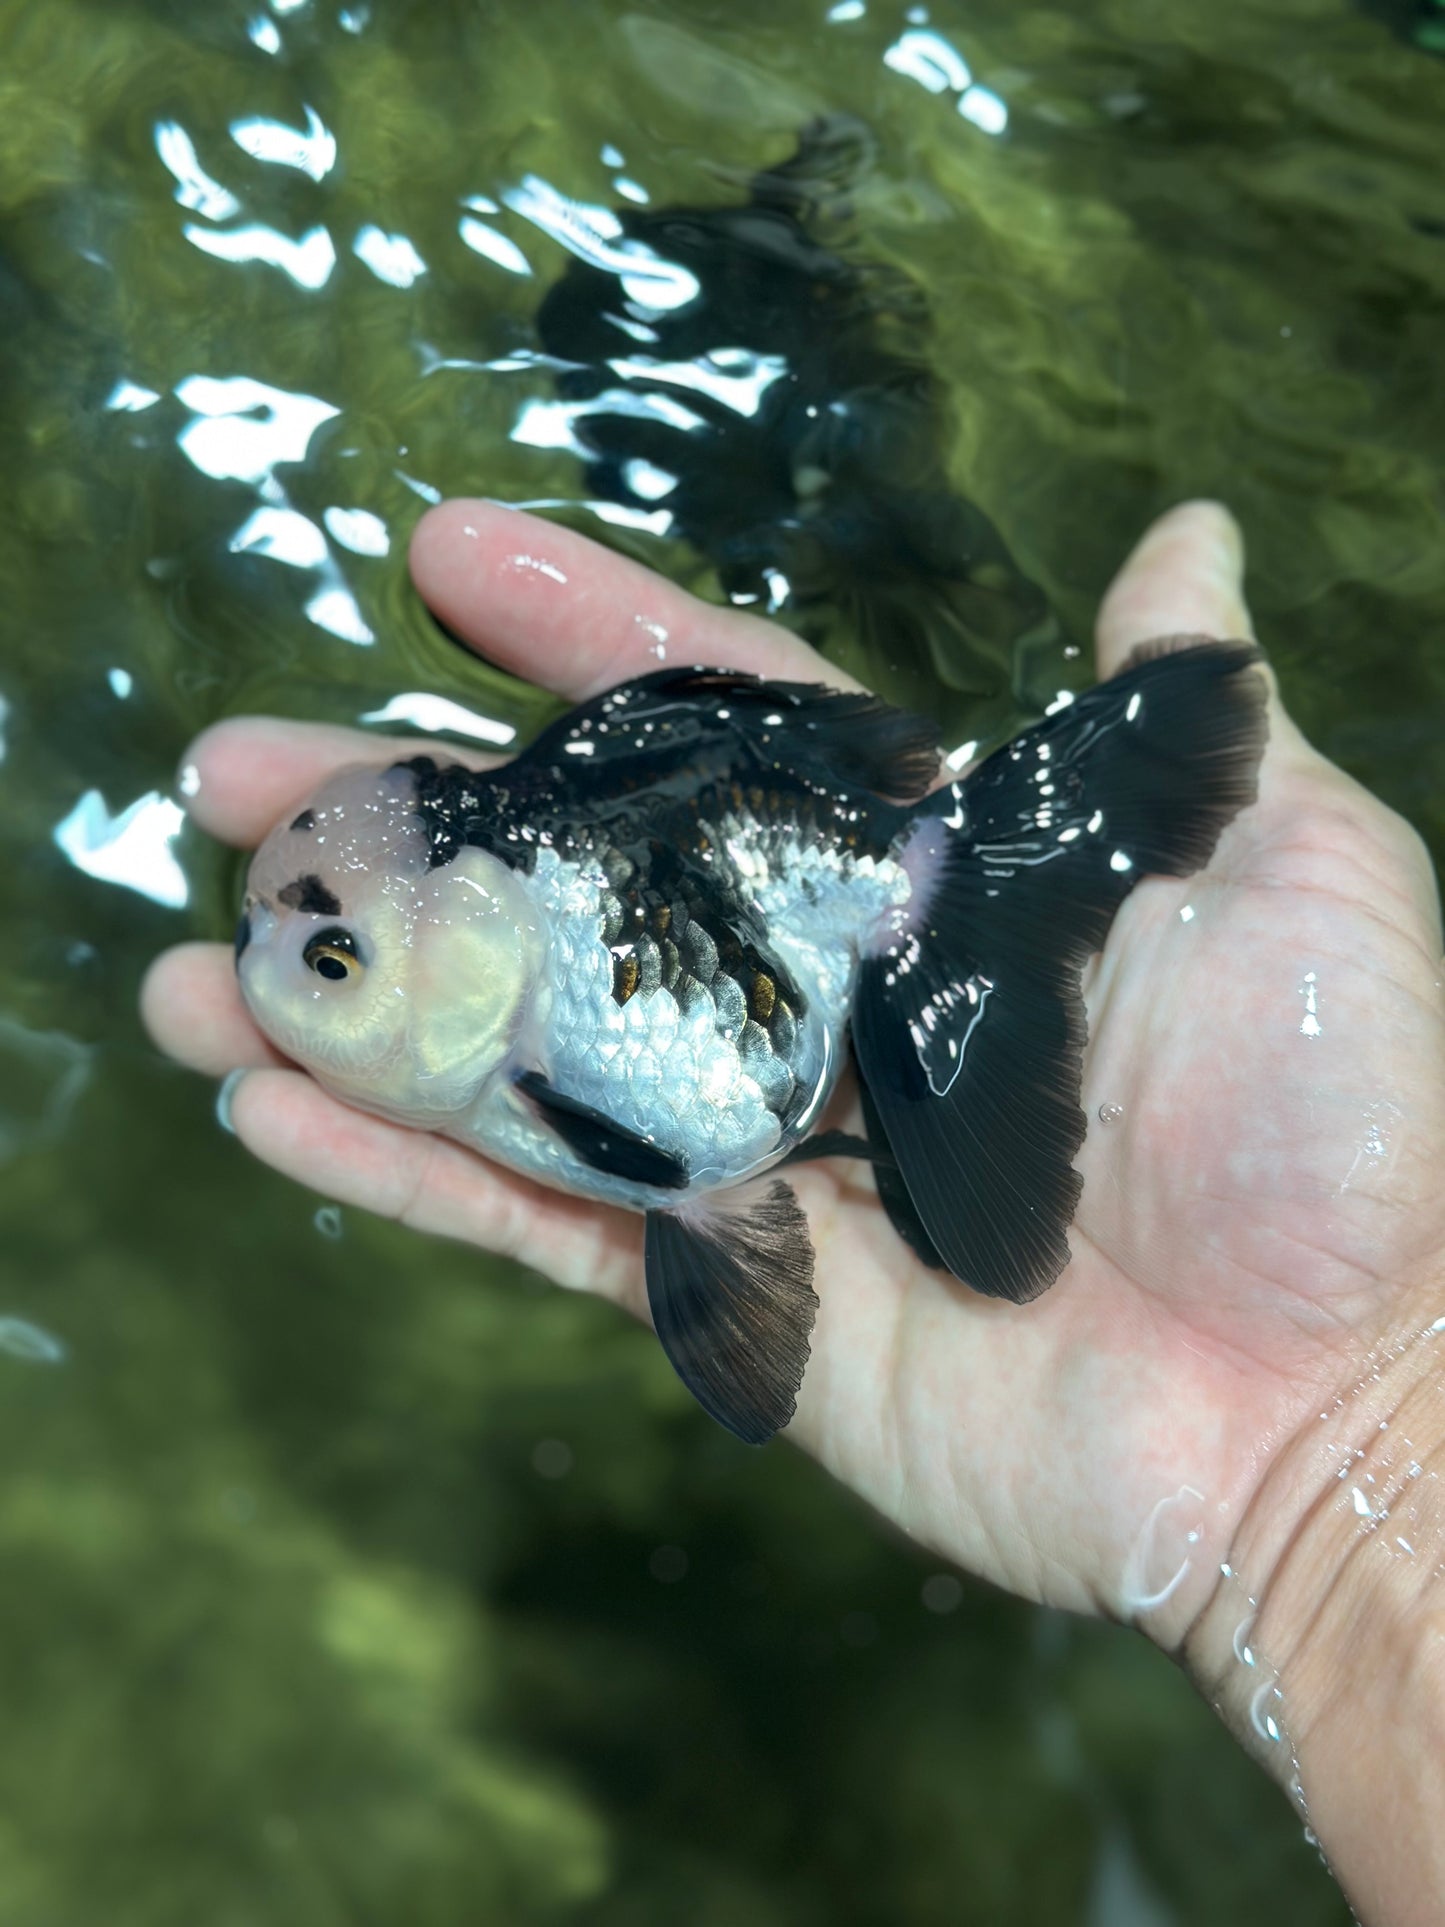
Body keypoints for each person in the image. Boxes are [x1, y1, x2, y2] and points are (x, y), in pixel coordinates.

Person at [143, 499, 1445, 1926]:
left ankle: (962, 900)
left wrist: (1349, 1443)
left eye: (332, 959)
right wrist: (1337, 1461)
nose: (279, 963)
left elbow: (661, 1156)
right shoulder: (503, 981)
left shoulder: (551, 989)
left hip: (801, 928)